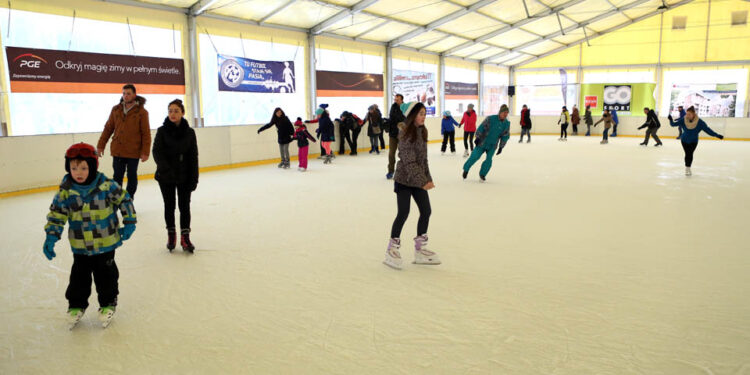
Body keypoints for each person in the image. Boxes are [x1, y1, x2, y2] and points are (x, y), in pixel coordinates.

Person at [43, 142, 137, 329]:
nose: (78, 172)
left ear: (93, 167)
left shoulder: (107, 186)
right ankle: (76, 305)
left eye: (84, 168)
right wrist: (51, 236)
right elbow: (57, 214)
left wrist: (129, 222)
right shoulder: (66, 191)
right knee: (79, 277)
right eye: (74, 168)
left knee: (106, 276)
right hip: (80, 245)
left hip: (106, 242)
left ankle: (108, 303)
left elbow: (125, 200)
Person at [383, 102, 440, 270]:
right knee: (403, 213)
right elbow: (409, 161)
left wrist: (428, 178)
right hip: (404, 179)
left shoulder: (422, 131)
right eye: (420, 113)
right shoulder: (406, 134)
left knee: (426, 211)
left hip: (418, 179)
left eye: (424, 113)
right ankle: (392, 249)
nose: (423, 116)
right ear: (412, 115)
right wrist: (423, 181)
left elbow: (423, 160)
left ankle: (420, 249)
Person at [152, 99, 199, 253]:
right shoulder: (162, 131)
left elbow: (193, 156)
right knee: (169, 206)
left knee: (184, 206)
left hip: (184, 175)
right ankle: (171, 234)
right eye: (170, 110)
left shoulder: (190, 132)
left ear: (182, 113)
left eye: (176, 111)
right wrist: (166, 170)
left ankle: (185, 237)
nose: (172, 114)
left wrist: (194, 178)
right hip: (166, 176)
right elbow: (157, 153)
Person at [97, 84, 151, 199]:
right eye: (124, 93)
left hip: (133, 151)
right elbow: (108, 128)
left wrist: (145, 152)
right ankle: (117, 199)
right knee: (117, 177)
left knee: (132, 176)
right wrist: (101, 145)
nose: (125, 96)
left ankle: (129, 199)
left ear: (134, 95)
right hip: (118, 150)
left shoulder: (142, 112)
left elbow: (145, 133)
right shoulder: (116, 109)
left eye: (128, 94)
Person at [668, 106, 724, 176]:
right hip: (684, 140)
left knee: (690, 154)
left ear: (694, 114)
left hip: (694, 141)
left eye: (689, 114)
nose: (687, 116)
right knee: (688, 154)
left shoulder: (700, 122)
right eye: (686, 114)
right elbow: (673, 125)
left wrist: (717, 135)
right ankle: (687, 168)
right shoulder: (683, 120)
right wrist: (670, 120)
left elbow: (708, 130)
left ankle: (688, 167)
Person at [462, 104, 510, 182]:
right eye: (504, 112)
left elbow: (505, 136)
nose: (505, 114)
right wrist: (477, 137)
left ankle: (482, 174)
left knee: (489, 160)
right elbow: (481, 127)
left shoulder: (506, 123)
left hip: (492, 145)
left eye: (507, 113)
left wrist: (501, 147)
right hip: (482, 142)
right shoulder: (490, 119)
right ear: (500, 112)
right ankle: (466, 169)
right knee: (474, 156)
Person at [386, 94, 405, 179]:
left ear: (401, 100)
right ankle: (390, 171)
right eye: (395, 99)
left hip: (403, 134)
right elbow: (392, 118)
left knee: (403, 153)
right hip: (393, 134)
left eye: (397, 99)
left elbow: (406, 119)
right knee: (391, 153)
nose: (395, 101)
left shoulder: (405, 108)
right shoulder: (393, 107)